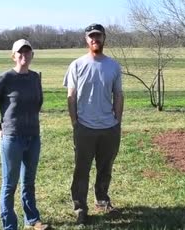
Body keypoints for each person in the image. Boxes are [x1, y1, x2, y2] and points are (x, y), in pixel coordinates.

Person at [0, 39, 50, 230]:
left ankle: (32, 220)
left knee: (29, 181)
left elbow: (39, 101)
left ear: (32, 55)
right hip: (12, 139)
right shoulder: (5, 78)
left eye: (28, 52)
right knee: (10, 184)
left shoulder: (35, 77)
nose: (24, 56)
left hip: (33, 137)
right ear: (13, 55)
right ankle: (10, 225)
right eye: (20, 52)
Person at [63, 23, 124, 225]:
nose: (94, 39)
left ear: (104, 38)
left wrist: (117, 122)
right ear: (86, 40)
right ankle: (80, 207)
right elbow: (71, 96)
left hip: (109, 127)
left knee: (105, 167)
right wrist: (75, 123)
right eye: (91, 36)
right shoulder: (77, 65)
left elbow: (118, 95)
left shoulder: (113, 66)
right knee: (82, 169)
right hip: (85, 127)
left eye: (98, 36)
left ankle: (102, 200)